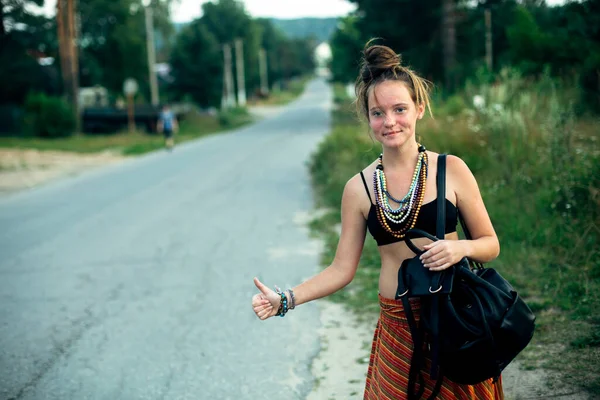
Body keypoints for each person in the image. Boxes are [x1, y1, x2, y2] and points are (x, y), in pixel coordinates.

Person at [251, 42, 504, 399]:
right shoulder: (359, 188)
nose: (389, 122)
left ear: (419, 108)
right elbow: (341, 269)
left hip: (454, 317)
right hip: (398, 326)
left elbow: (490, 244)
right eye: (377, 113)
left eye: (399, 109)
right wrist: (286, 299)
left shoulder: (452, 170)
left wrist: (459, 248)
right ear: (367, 118)